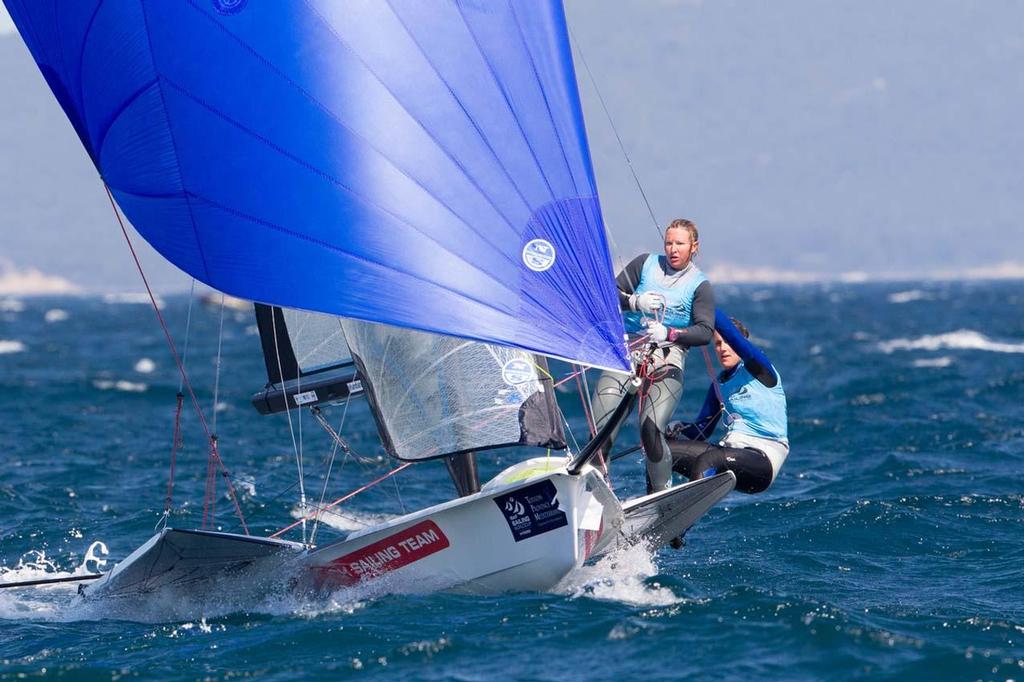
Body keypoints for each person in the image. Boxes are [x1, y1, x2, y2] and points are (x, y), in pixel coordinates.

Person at [590, 218, 715, 493]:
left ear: (694, 247)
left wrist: (670, 333)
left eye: (680, 244)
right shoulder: (645, 263)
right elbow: (607, 294)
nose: (673, 249)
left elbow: (705, 331)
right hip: (628, 354)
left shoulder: (699, 285)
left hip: (667, 360)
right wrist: (634, 301)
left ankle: (661, 497)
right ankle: (597, 496)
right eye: (669, 242)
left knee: (651, 428)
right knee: (599, 432)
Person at [668, 310, 789, 493]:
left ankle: (682, 511)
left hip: (763, 460)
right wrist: (677, 426)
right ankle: (654, 507)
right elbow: (702, 431)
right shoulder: (719, 384)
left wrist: (705, 306)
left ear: (740, 345)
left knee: (710, 459)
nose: (723, 348)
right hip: (729, 454)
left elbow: (738, 341)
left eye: (728, 343)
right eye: (717, 344)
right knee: (662, 453)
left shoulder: (760, 369)